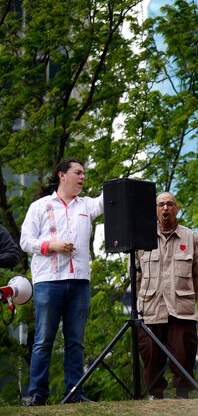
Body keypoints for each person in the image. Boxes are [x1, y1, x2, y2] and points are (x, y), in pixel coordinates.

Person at [19, 158, 104, 405]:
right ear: (62, 175)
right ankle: (37, 395)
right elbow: (25, 241)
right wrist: (51, 245)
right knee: (44, 340)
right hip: (48, 282)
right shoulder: (39, 207)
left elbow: (109, 199)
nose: (82, 177)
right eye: (78, 173)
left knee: (75, 341)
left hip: (79, 282)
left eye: (84, 174)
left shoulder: (87, 205)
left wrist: (121, 184)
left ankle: (73, 394)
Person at [136, 191, 198, 400]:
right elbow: (136, 273)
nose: (165, 208)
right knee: (150, 354)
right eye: (161, 205)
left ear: (177, 208)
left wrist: (189, 298)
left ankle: (183, 395)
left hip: (182, 308)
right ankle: (155, 395)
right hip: (151, 307)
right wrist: (141, 302)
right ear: (155, 210)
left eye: (169, 204)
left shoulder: (191, 237)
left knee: (183, 353)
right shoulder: (143, 237)